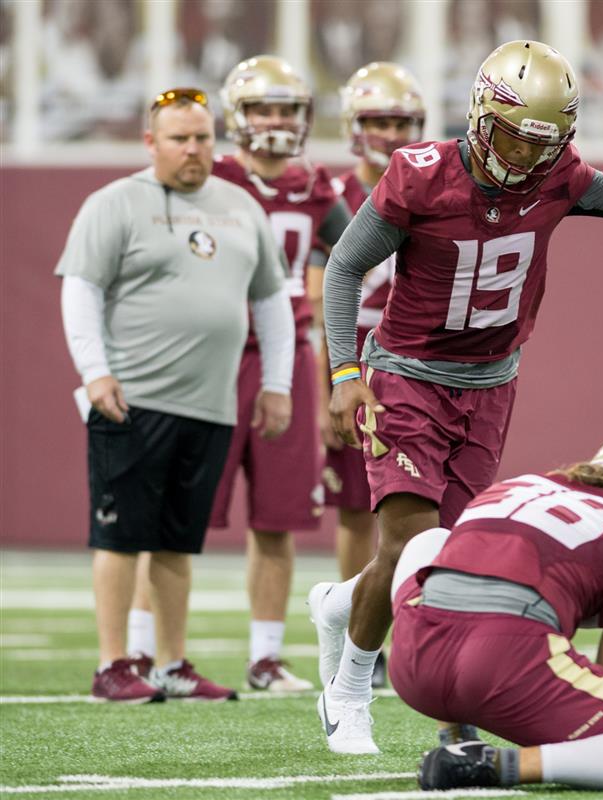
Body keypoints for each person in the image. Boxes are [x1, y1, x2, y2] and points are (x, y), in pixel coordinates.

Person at [309, 39, 603, 754]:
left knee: (452, 557)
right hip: (405, 371)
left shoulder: (559, 176)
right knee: (410, 537)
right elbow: (343, 268)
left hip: (491, 383)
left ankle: (342, 603)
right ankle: (348, 692)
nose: (525, 157)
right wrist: (346, 375)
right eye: (511, 136)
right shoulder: (419, 174)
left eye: (542, 142)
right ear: (478, 114)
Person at [56, 87, 294, 702]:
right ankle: (113, 663)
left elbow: (271, 302)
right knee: (118, 535)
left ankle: (170, 663)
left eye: (203, 138)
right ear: (150, 143)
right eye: (179, 139)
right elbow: (80, 290)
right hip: (131, 400)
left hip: (210, 404)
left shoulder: (241, 206)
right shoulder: (114, 204)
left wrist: (277, 384)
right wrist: (94, 371)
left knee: (176, 542)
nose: (193, 150)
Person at [126, 56, 351, 693]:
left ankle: (266, 656)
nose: (277, 121)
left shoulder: (317, 190)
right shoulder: (212, 176)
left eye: (287, 109)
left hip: (284, 354)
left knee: (277, 518)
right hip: (208, 355)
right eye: (263, 109)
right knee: (176, 515)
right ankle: (143, 651)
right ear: (238, 117)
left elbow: (357, 253)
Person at [322, 435, 603, 791]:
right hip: (503, 670)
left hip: (415, 664)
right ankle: (488, 764)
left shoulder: (522, 486)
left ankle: (456, 731)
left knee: (430, 538)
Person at [321, 61, 427, 689]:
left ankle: (378, 621)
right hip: (351, 355)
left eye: (400, 121)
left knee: (398, 509)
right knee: (356, 508)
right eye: (378, 120)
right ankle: (360, 626)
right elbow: (327, 288)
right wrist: (329, 379)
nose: (389, 132)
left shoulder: (430, 184)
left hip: (410, 361)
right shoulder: (332, 197)